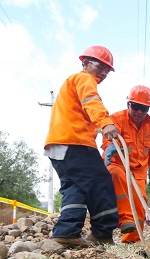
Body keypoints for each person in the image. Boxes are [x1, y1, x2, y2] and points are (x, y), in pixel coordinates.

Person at [44, 45, 120, 248]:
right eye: (100, 67)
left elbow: (83, 111)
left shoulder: (72, 84)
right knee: (101, 182)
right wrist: (105, 123)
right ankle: (102, 234)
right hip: (74, 143)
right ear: (85, 64)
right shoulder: (84, 79)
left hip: (58, 145)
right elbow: (91, 101)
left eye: (107, 70)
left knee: (75, 186)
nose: (103, 73)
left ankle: (66, 231)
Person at [102, 85, 150, 243]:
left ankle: (132, 241)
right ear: (128, 105)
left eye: (144, 108)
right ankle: (126, 219)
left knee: (141, 201)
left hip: (139, 170)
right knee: (116, 174)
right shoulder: (116, 119)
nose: (139, 112)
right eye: (136, 106)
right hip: (118, 164)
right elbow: (107, 139)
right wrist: (110, 147)